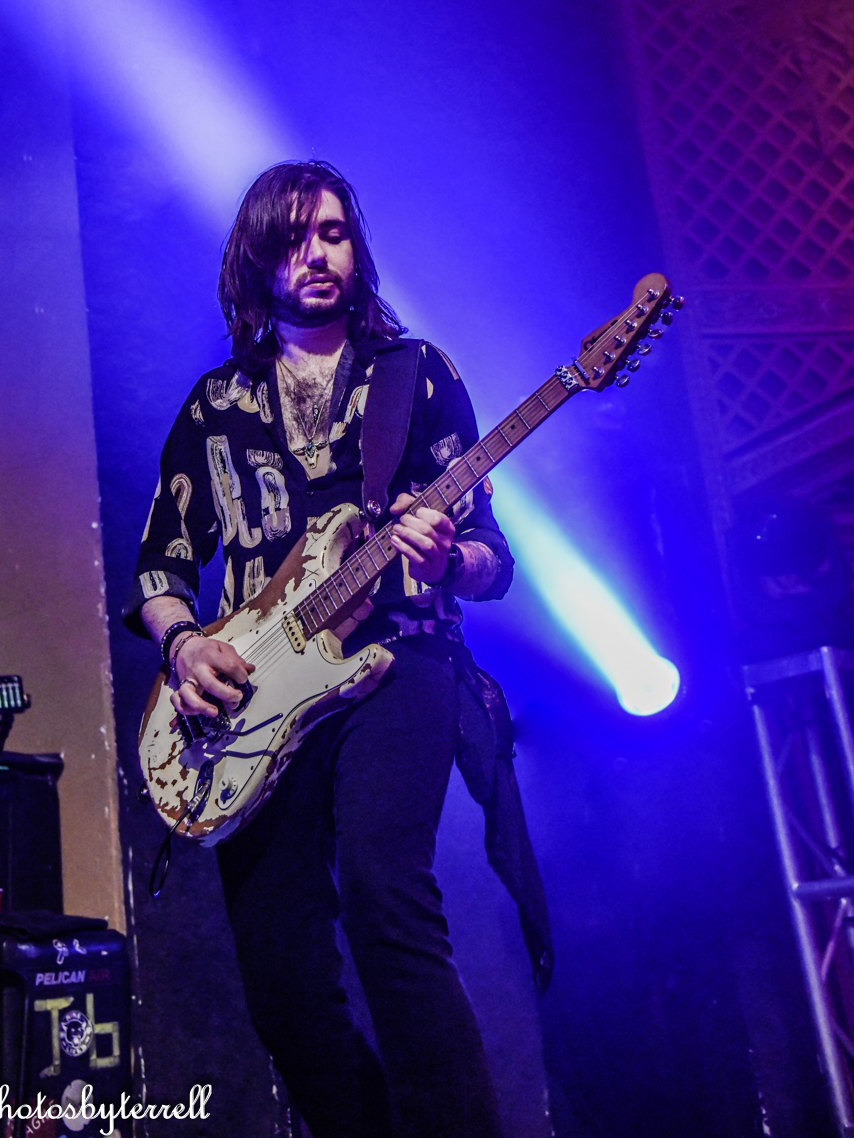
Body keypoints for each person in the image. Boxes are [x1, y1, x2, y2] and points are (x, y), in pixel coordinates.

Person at [124, 160, 548, 1138]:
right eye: (292, 239)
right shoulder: (214, 406)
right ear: (254, 261)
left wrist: (448, 559)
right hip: (254, 697)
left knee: (383, 896)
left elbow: (493, 560)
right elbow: (160, 566)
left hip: (399, 661)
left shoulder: (416, 373)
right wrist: (183, 646)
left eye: (332, 233)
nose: (316, 255)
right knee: (279, 981)